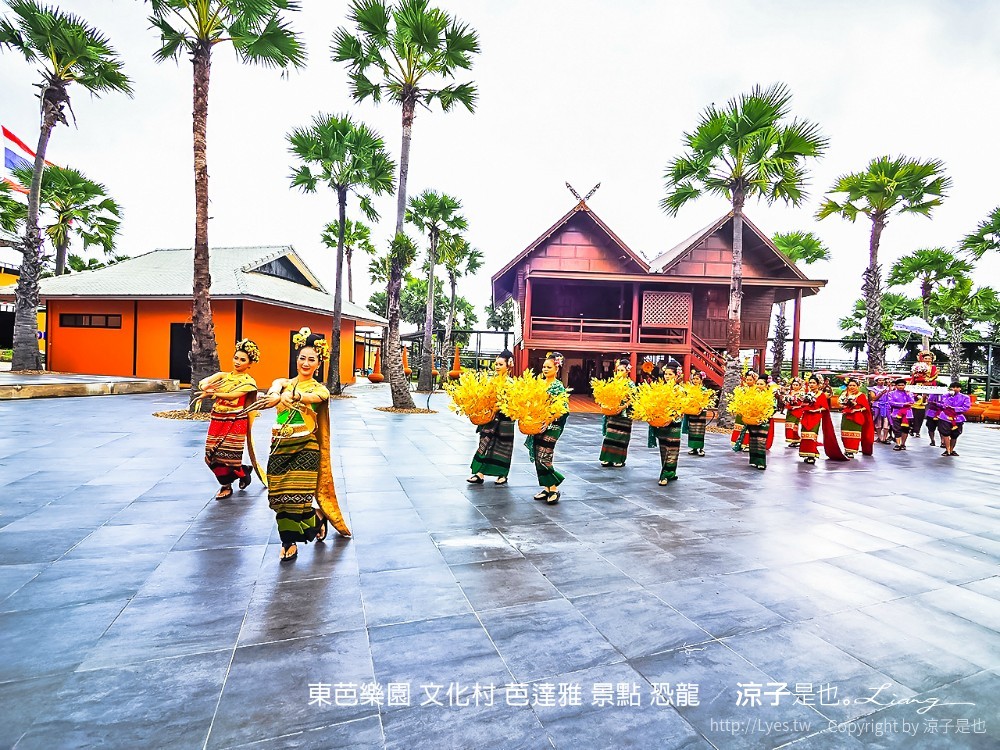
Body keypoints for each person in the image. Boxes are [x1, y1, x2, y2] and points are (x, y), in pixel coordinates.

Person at [263, 327, 351, 562]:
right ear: (296, 358)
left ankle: (288, 542)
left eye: (311, 359)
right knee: (280, 498)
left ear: (318, 364)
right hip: (279, 447)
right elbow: (274, 388)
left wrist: (299, 397)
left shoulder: (318, 389)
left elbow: (318, 398)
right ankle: (318, 519)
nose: (305, 362)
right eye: (302, 357)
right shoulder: (283, 383)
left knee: (297, 497)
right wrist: (273, 394)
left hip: (306, 448)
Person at [199, 339, 260, 499]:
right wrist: (206, 386)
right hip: (218, 419)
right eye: (236, 358)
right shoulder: (222, 376)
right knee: (210, 455)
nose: (238, 362)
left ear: (249, 364)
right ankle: (243, 471)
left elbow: (234, 395)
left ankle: (226, 486)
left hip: (236, 420)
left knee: (229, 457)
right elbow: (204, 382)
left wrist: (214, 393)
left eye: (242, 360)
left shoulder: (248, 382)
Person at [526, 352, 569, 504]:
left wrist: (549, 419)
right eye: (544, 367)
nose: (545, 369)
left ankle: (554, 489)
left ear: (556, 368)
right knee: (539, 457)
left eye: (548, 367)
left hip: (552, 426)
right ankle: (547, 488)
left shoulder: (558, 386)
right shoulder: (539, 384)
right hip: (538, 425)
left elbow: (563, 409)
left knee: (544, 456)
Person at [468, 350, 516, 485]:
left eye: (501, 364)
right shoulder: (490, 381)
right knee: (484, 443)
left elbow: (514, 403)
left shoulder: (511, 383)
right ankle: (479, 474)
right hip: (489, 419)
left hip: (505, 420)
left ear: (509, 365)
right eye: (496, 364)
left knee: (503, 446)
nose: (497, 366)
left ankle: (502, 475)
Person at [799, 376, 847, 463]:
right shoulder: (806, 394)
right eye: (810, 383)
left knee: (812, 435)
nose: (811, 385)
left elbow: (825, 407)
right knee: (804, 435)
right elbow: (802, 404)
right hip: (806, 416)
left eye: (814, 383)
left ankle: (812, 455)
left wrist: (817, 410)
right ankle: (806, 453)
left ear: (818, 385)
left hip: (815, 417)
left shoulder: (821, 395)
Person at [599, 358, 635, 467]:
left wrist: (623, 406)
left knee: (622, 436)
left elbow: (633, 398)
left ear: (627, 371)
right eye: (618, 370)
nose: (619, 373)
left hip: (625, 414)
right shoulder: (613, 383)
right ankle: (607, 458)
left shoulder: (630, 384)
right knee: (610, 435)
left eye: (622, 370)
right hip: (613, 413)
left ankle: (619, 459)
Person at [838, 377, 874, 458]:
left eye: (854, 385)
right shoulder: (844, 394)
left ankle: (852, 450)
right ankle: (847, 449)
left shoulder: (861, 395)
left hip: (857, 417)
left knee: (855, 434)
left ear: (858, 386)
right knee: (845, 433)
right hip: (846, 416)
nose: (851, 387)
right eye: (850, 385)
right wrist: (843, 406)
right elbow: (840, 404)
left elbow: (866, 407)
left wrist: (857, 409)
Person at [908, 350, 940, 438]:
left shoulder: (933, 367)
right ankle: (911, 426)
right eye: (926, 358)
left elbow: (934, 376)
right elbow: (914, 376)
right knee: (913, 407)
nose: (927, 360)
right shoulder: (918, 366)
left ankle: (917, 429)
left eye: (929, 358)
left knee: (922, 409)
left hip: (928, 386)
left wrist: (928, 380)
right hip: (918, 386)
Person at [746, 380, 776, 470]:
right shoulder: (752, 394)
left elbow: (773, 408)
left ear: (766, 385)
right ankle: (754, 460)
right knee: (753, 440)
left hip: (764, 421)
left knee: (761, 441)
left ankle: (761, 462)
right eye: (758, 384)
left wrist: (764, 416)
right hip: (753, 420)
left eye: (761, 384)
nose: (759, 386)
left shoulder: (770, 396)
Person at [937, 382, 971, 456]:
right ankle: (947, 450)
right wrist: (949, 397)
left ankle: (951, 449)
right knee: (945, 433)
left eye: (956, 387)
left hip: (958, 418)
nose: (954, 389)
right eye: (953, 387)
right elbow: (943, 405)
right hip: (945, 416)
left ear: (960, 388)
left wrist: (955, 409)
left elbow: (966, 407)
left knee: (955, 434)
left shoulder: (965, 397)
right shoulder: (945, 396)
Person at [884, 377, 916, 451]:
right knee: (897, 429)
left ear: (905, 385)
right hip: (896, 413)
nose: (901, 386)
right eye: (899, 385)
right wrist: (903, 404)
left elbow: (912, 402)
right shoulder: (891, 393)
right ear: (896, 386)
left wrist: (908, 395)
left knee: (905, 429)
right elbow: (891, 403)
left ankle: (903, 444)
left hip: (907, 414)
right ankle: (898, 444)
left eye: (902, 385)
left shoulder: (909, 393)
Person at [683, 371, 709, 457]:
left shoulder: (704, 390)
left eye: (697, 379)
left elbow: (706, 401)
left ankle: (701, 448)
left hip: (701, 413)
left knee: (700, 431)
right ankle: (693, 448)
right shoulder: (689, 389)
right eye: (693, 379)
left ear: (701, 380)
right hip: (692, 413)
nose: (695, 380)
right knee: (692, 430)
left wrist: (701, 408)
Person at [783, 377, 805, 447]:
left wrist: (796, 405)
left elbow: (802, 403)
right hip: (790, 410)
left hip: (797, 411)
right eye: (793, 385)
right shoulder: (790, 392)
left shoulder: (801, 393)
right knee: (790, 425)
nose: (794, 386)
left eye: (796, 385)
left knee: (793, 425)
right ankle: (795, 440)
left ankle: (794, 439)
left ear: (800, 386)